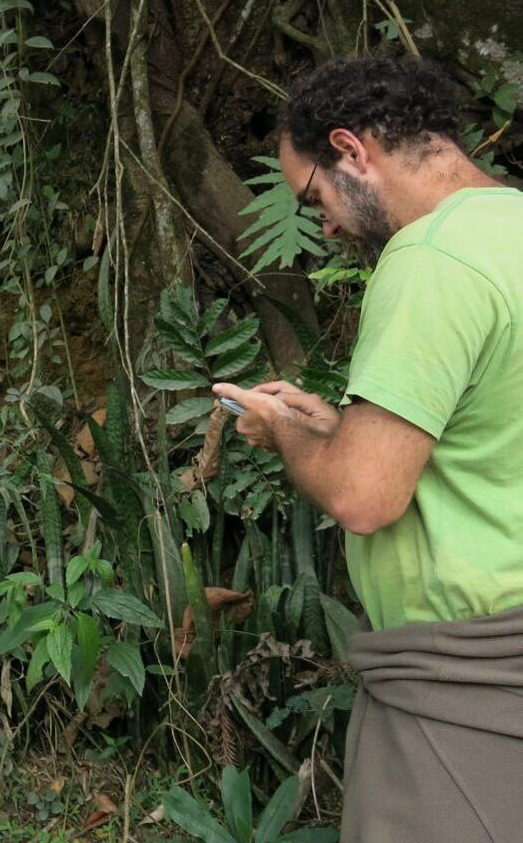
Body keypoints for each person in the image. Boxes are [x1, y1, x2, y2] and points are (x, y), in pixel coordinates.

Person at [212, 54, 523, 843]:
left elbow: (363, 495)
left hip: (464, 683)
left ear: (351, 150)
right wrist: (339, 430)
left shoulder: (430, 259)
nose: (322, 226)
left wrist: (283, 429)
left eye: (313, 198)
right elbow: (490, 432)